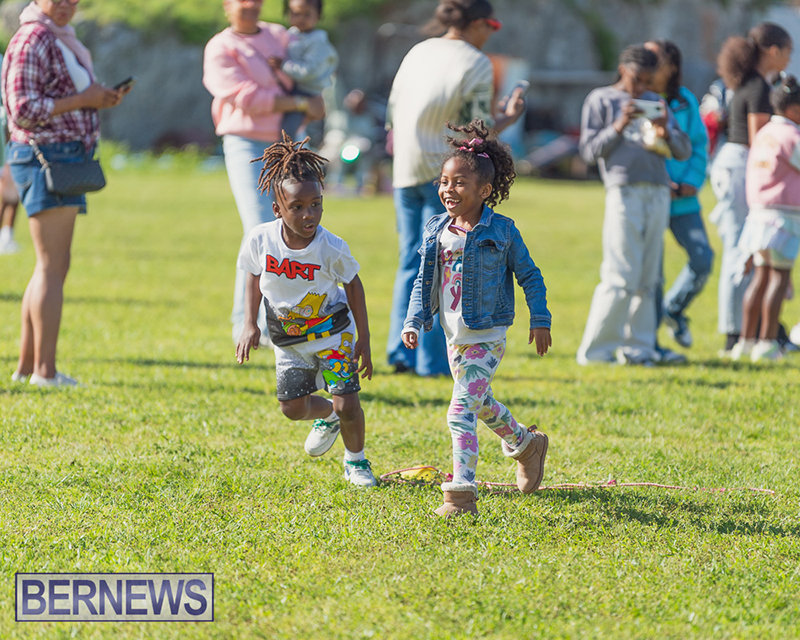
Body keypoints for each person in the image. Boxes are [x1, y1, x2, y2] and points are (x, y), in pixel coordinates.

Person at [402, 119, 551, 517]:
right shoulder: (436, 229)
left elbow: (530, 276)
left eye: (459, 183)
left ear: (484, 190)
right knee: (480, 402)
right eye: (444, 182)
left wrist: (541, 318)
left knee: (460, 410)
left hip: (487, 334)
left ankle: (461, 492)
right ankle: (526, 444)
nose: (448, 190)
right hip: (453, 335)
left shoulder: (502, 230)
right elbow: (423, 280)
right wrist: (413, 321)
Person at [386, 0, 526, 378]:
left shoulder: (418, 50)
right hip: (447, 177)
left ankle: (401, 351)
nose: (491, 34)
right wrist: (507, 118)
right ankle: (431, 363)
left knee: (410, 263)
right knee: (440, 266)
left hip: (405, 168)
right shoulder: (475, 61)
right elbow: (476, 130)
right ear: (479, 23)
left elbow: (391, 111)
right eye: (491, 26)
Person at [235, 133, 377, 488]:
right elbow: (254, 274)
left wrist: (364, 337)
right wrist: (249, 323)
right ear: (277, 210)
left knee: (348, 403)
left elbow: (353, 284)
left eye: (316, 204)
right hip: (290, 339)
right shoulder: (260, 240)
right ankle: (326, 414)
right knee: (292, 408)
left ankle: (356, 462)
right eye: (297, 207)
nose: (308, 214)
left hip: (334, 335)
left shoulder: (331, 247)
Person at [3, 0, 129, 386]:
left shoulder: (57, 37)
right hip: (46, 158)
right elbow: (21, 109)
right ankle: (45, 371)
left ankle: (28, 367)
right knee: (51, 266)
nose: (66, 4)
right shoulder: (34, 37)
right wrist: (84, 100)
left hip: (60, 158)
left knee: (51, 266)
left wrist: (98, 97)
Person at [203, 0, 325, 345]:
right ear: (227, 6)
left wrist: (315, 95)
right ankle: (246, 321)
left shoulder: (277, 35)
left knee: (293, 228)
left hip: (289, 141)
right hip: (247, 143)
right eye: (242, 1)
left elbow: (305, 72)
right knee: (258, 228)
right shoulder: (221, 46)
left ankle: (288, 318)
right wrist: (301, 103)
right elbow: (245, 97)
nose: (251, 5)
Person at [576, 45, 691, 366]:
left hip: (657, 190)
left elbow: (683, 150)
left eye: (649, 81)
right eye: (638, 79)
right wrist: (617, 124)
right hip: (622, 189)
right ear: (623, 69)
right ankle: (596, 352)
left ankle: (639, 349)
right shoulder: (601, 99)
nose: (642, 87)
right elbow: (587, 151)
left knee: (649, 276)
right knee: (620, 273)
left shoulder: (656, 102)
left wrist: (666, 132)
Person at [710, 23, 792, 355]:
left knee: (748, 250)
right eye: (788, 51)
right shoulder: (758, 87)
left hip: (737, 164)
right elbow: (762, 142)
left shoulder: (752, 83)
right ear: (773, 51)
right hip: (742, 165)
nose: (789, 58)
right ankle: (734, 331)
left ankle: (755, 328)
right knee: (740, 250)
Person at [644, 40, 712, 358]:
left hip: (684, 199)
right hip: (650, 198)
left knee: (702, 259)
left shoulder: (685, 101)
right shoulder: (639, 99)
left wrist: (692, 181)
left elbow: (699, 144)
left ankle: (674, 308)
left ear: (670, 67)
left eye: (653, 59)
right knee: (653, 274)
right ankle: (651, 343)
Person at [730, 75, 800, 362]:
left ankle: (745, 342)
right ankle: (767, 343)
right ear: (794, 109)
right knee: (779, 279)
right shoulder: (792, 136)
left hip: (758, 216)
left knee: (759, 278)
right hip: (784, 217)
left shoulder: (764, 133)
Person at [268, 0, 338, 141]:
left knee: (289, 129)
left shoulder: (317, 41)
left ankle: (286, 156)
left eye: (307, 15)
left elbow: (308, 72)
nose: (301, 19)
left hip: (308, 91)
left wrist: (283, 65)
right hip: (294, 88)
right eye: (296, 13)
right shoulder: (292, 34)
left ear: (318, 16)